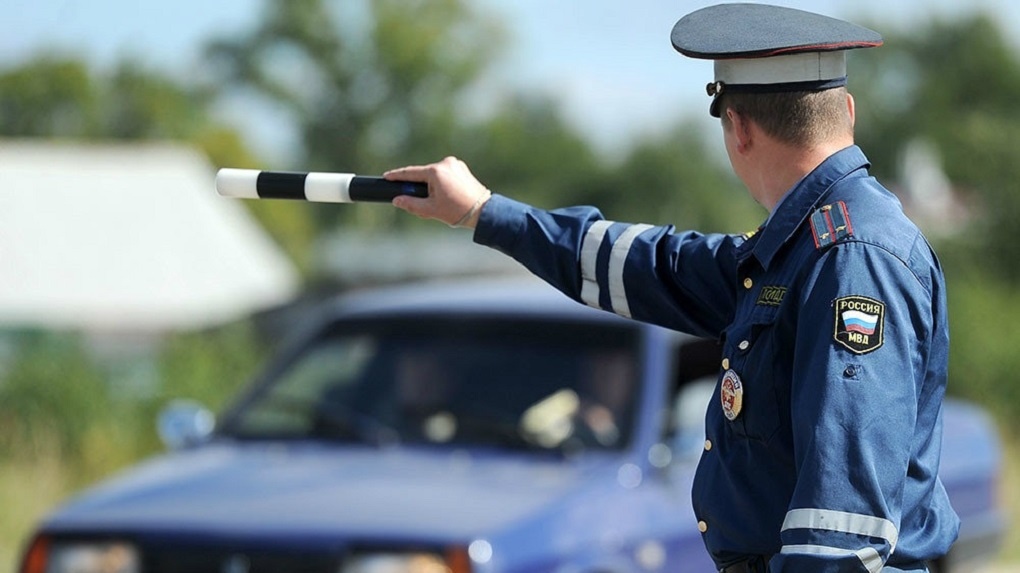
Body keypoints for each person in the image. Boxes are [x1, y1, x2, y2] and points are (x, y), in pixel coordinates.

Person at [383, 4, 959, 572]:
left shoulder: (848, 257)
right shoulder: (804, 247)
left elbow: (840, 532)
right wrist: (484, 212)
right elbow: (653, 265)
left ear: (737, 128)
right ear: (847, 111)